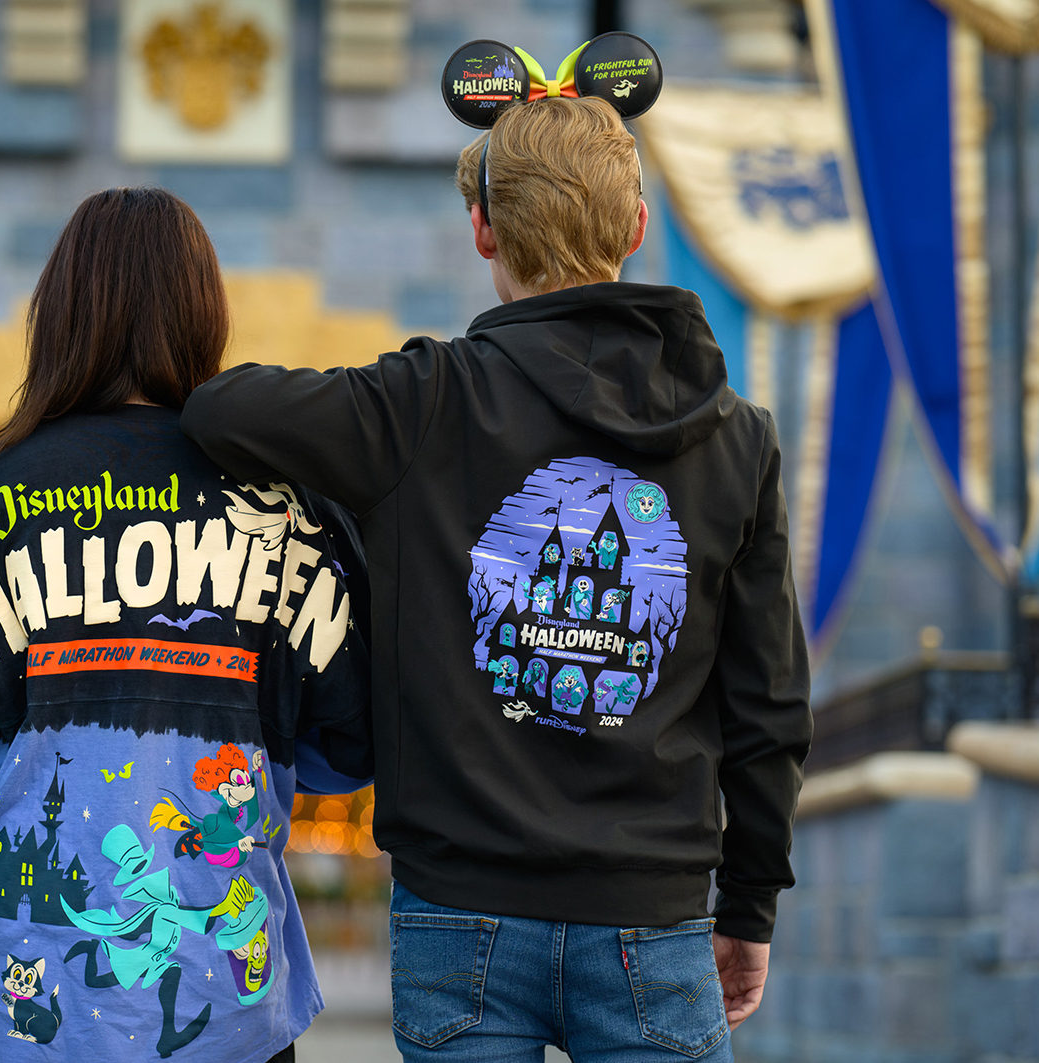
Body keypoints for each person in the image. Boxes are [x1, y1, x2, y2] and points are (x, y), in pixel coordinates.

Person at [179, 97, 812, 1062]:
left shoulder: (421, 406)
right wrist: (751, 902)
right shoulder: (738, 439)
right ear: (637, 228)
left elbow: (222, 409)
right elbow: (768, 704)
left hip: (458, 910)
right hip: (654, 912)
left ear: (482, 228)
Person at [0, 187, 374, 1063]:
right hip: (225, 1008)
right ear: (205, 310)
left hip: (10, 1006)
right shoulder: (282, 500)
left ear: (61, 313)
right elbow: (347, 746)